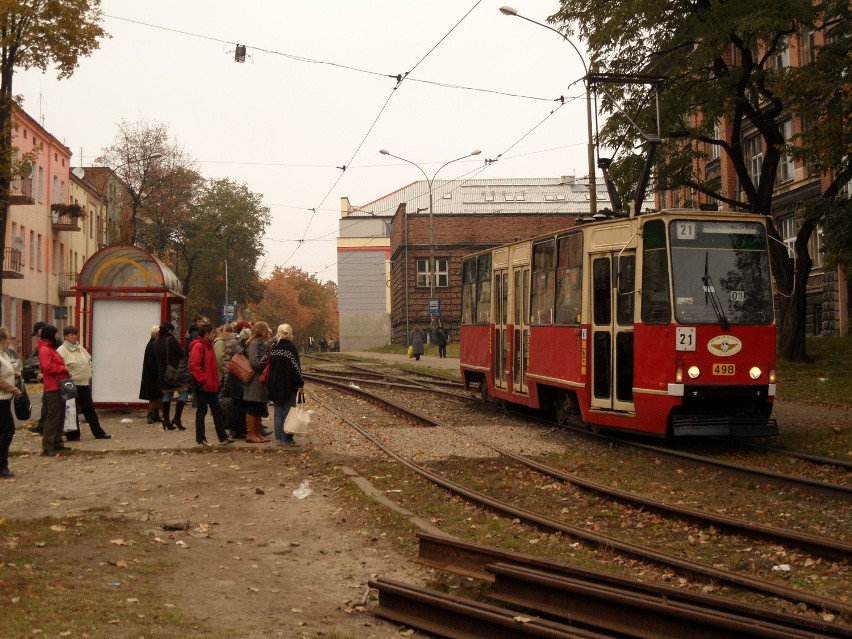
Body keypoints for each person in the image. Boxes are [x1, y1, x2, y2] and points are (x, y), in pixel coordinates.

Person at [57, 326, 111, 440]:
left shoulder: (80, 348)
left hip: (83, 382)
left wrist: (90, 371)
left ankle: (98, 432)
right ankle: (73, 435)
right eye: (71, 334)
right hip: (70, 384)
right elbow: (60, 366)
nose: (74, 337)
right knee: (71, 410)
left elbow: (88, 361)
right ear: (65, 336)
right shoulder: (61, 350)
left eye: (75, 334)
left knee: (89, 409)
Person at [188, 323, 233, 447]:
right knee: (202, 411)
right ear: (206, 334)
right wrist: (203, 379)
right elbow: (194, 366)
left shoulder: (209, 346)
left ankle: (222, 437)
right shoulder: (199, 346)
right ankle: (201, 438)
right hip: (203, 385)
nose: (214, 335)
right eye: (212, 333)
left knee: (217, 411)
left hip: (211, 385)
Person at [267, 324, 304, 446]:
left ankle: (279, 439)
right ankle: (287, 438)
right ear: (290, 333)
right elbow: (296, 368)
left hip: (274, 384)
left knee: (278, 411)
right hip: (288, 385)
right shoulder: (291, 348)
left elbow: (267, 363)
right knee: (289, 412)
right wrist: (300, 384)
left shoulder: (274, 347)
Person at [37, 325, 70, 457]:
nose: (57, 336)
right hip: (53, 386)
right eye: (56, 334)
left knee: (61, 414)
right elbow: (47, 367)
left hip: (59, 384)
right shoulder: (45, 349)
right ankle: (48, 445)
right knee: (53, 416)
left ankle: (57, 441)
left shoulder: (51, 348)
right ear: (50, 334)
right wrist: (63, 369)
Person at [153, 322, 187, 431]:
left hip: (162, 374)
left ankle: (166, 420)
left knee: (167, 395)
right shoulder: (171, 340)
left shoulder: (157, 342)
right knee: (183, 393)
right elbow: (181, 354)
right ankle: (177, 418)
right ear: (170, 330)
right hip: (173, 373)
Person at [0, 327, 24, 477]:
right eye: (8, 338)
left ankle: (2, 464)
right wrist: (14, 390)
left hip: (4, 399)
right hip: (1, 399)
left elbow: (4, 374)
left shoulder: (4, 355)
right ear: (2, 340)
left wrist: (14, 376)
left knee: (3, 431)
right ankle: (2, 465)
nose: (10, 341)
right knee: (8, 430)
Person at [242, 321, 271, 444]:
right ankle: (251, 433)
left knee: (258, 406)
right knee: (253, 406)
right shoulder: (254, 344)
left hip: (260, 379)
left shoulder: (260, 344)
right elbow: (253, 362)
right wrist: (265, 368)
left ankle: (257, 432)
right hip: (255, 380)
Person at [138, 325, 162, 425]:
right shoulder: (153, 345)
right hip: (153, 375)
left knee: (156, 395)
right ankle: (151, 414)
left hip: (152, 374)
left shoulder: (152, 343)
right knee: (153, 395)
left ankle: (155, 414)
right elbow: (153, 361)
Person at [27, 320, 47, 434]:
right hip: (47, 377)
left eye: (37, 333)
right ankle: (42, 425)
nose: (36, 336)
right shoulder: (44, 342)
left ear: (41, 330)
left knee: (48, 402)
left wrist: (43, 373)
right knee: (46, 402)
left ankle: (43, 426)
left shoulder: (51, 342)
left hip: (52, 379)